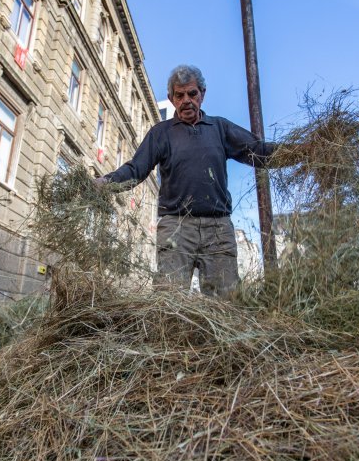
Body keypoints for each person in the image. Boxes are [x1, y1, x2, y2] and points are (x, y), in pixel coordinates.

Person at [98, 64, 277, 297]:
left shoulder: (220, 128)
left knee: (227, 303)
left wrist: (302, 152)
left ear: (202, 94)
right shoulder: (161, 133)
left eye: (192, 94)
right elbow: (136, 169)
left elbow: (258, 151)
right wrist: (104, 183)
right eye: (179, 95)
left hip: (218, 229)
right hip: (176, 227)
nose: (186, 100)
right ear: (171, 99)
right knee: (169, 303)